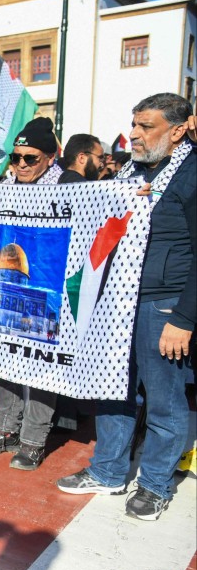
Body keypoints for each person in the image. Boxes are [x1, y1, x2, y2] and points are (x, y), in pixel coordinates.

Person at [58, 92, 195, 521]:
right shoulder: (127, 174)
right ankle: (109, 471)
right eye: (134, 124)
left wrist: (185, 319)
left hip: (165, 307)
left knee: (164, 399)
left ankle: (155, 484)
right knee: (112, 389)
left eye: (145, 126)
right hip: (117, 299)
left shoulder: (191, 174)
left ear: (177, 131)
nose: (133, 134)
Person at [0, 117, 62, 470]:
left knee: (41, 368)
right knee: (5, 358)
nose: (21, 164)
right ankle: (5, 431)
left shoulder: (70, 185)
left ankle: (34, 440)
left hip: (49, 293)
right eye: (16, 157)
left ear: (50, 158)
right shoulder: (4, 186)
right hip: (9, 287)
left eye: (30, 158)